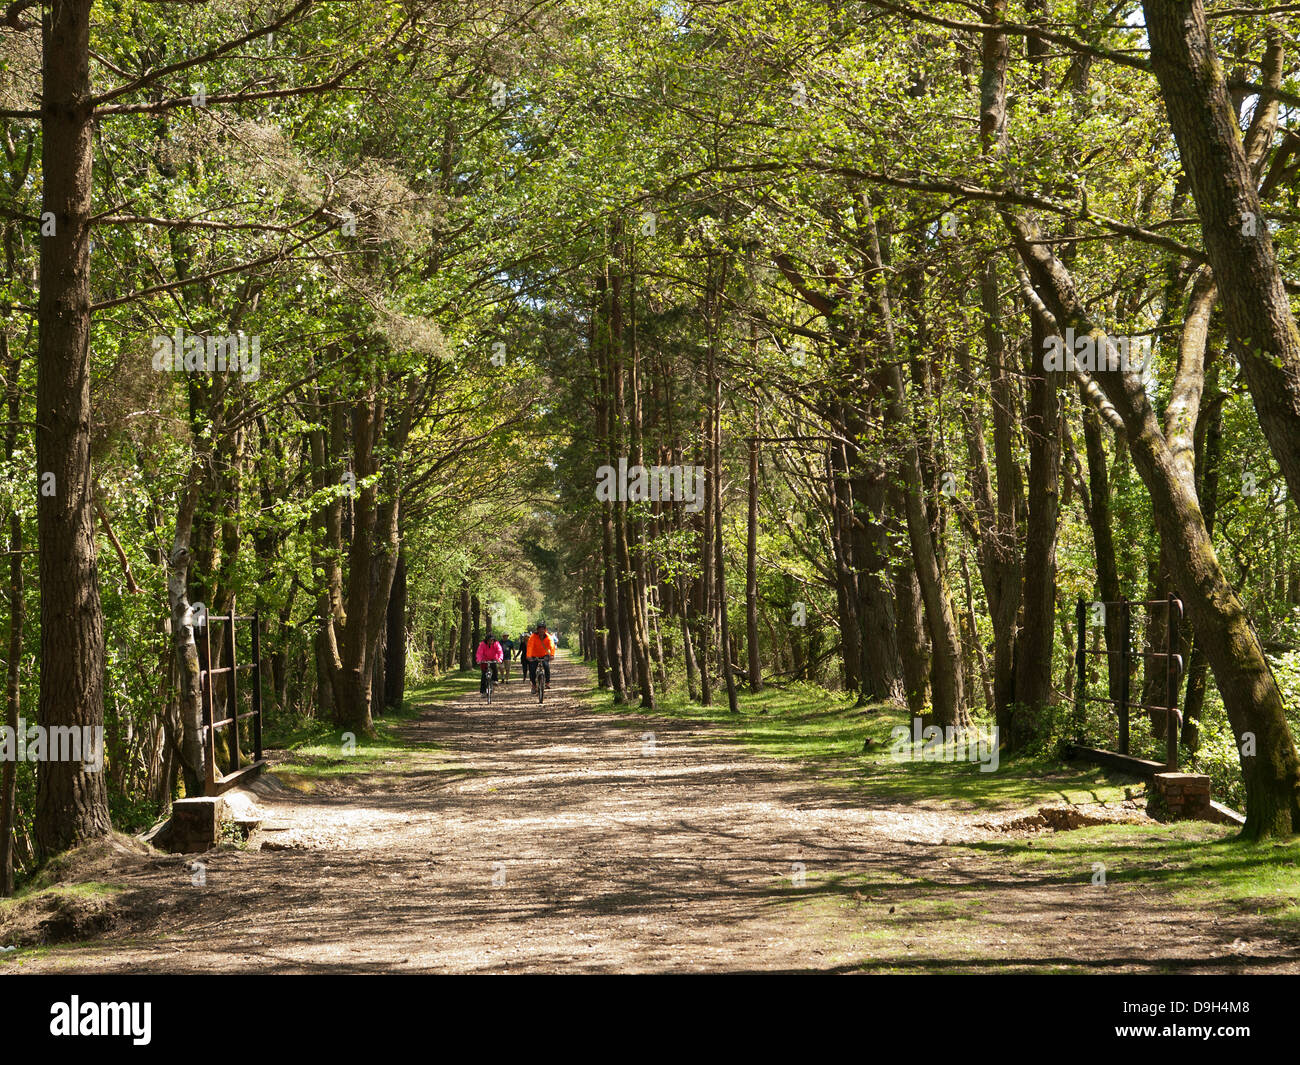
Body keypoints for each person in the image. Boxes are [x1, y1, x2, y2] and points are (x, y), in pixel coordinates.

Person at [526, 622, 557, 694]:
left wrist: (552, 655)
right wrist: (529, 656)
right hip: (534, 655)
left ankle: (547, 683)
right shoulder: (533, 637)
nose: (541, 631)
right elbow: (530, 646)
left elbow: (552, 646)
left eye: (543, 629)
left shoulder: (548, 637)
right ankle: (534, 685)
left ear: (545, 630)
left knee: (546, 666)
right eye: (539, 629)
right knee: (532, 670)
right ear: (537, 630)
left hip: (544, 655)